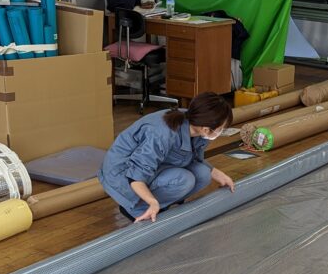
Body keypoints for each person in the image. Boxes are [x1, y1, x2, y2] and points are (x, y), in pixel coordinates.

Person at [99, 92, 237, 222]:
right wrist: (152, 202)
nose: (221, 132)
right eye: (221, 129)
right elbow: (136, 176)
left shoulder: (197, 125)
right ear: (206, 129)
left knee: (204, 174)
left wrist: (217, 173)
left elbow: (194, 157)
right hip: (123, 172)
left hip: (156, 165)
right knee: (184, 179)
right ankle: (138, 209)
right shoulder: (162, 134)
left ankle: (162, 204)